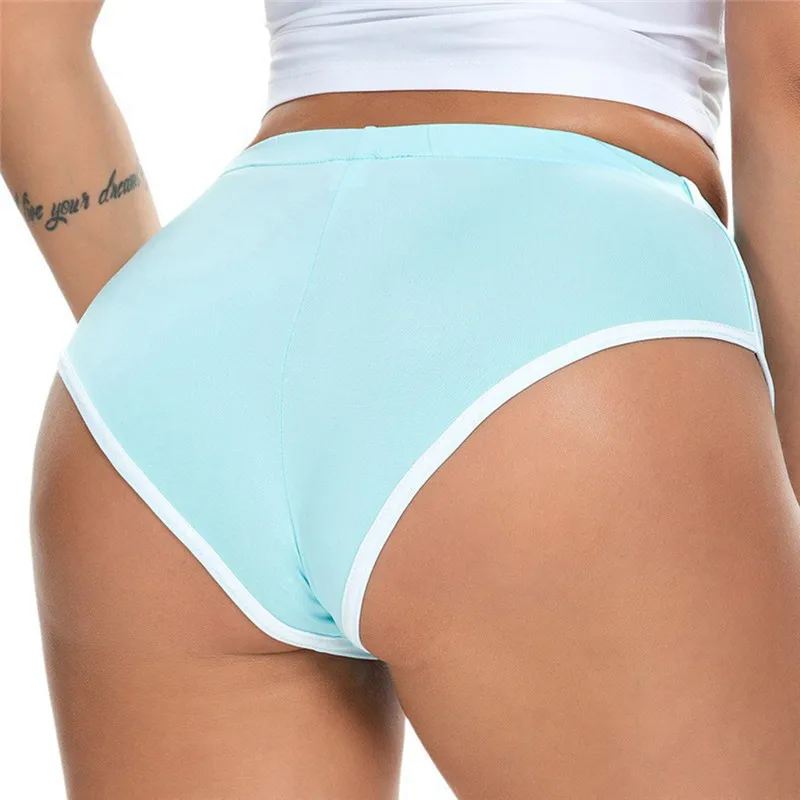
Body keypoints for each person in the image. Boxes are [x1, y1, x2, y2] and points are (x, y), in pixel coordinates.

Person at [3, 1, 800, 797]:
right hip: (568, 318)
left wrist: (182, 392)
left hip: (182, 344)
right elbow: (788, 66)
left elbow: (21, 35)